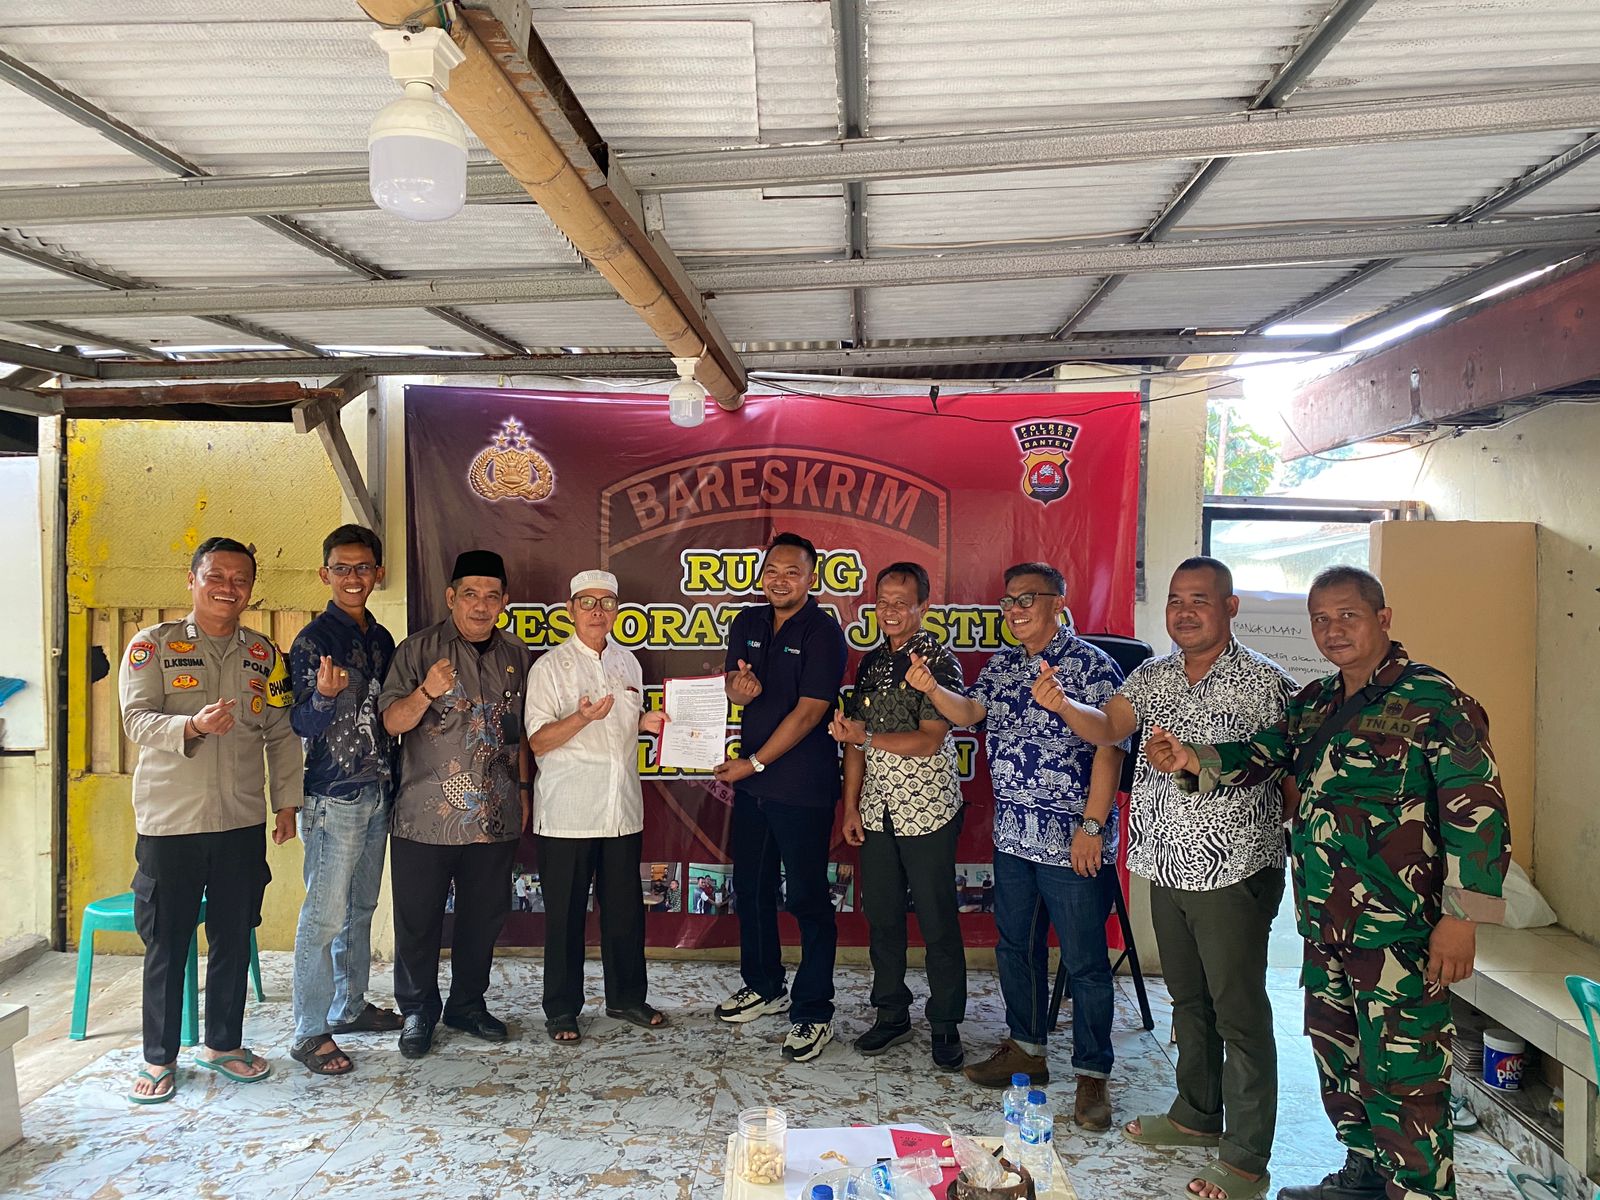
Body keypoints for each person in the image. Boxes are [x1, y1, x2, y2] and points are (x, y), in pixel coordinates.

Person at [1144, 565, 1512, 1200]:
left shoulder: (1434, 701)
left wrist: (1462, 919)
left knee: (1405, 1071)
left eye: (1348, 616)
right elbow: (1260, 756)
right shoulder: (1315, 703)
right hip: (1326, 920)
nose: (1333, 630)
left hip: (1401, 930)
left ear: (1382, 619)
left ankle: (1418, 1189)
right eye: (1320, 619)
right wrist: (1193, 759)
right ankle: (1365, 1173)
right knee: (1340, 1056)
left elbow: (1478, 815)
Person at [1035, 557, 1296, 1199]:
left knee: (1239, 1012)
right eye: (1176, 599)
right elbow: (1109, 727)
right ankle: (1197, 1115)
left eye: (1199, 599)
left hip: (1234, 872)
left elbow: (1290, 779)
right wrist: (1064, 705)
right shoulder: (1153, 674)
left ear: (1230, 607)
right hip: (1164, 862)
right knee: (1188, 1000)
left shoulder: (1268, 684)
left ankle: (1246, 1157)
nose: (1184, 611)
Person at [909, 561, 1126, 1130]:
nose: (1015, 609)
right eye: (1009, 600)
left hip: (1073, 840)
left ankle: (1092, 1074)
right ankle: (1027, 1049)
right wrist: (934, 690)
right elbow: (971, 712)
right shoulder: (1002, 665)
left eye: (1028, 598)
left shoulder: (1092, 665)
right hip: (1014, 836)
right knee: (1015, 949)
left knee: (1084, 962)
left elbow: (1110, 748)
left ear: (1059, 602)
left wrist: (1093, 827)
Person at [118, 536, 302, 1102]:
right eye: (216, 576)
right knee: (167, 941)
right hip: (171, 822)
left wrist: (286, 802)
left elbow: (281, 732)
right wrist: (191, 726)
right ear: (192, 580)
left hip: (240, 820)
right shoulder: (152, 646)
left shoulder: (265, 655)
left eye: (240, 579)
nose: (228, 588)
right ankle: (158, 1057)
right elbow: (135, 719)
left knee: (233, 935)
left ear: (251, 588)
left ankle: (224, 1045)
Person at [379, 549, 531, 1059]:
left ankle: (467, 1004)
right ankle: (418, 1010)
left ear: (504, 602)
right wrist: (426, 691)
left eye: (492, 596)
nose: (481, 605)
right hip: (426, 816)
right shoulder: (418, 650)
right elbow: (392, 722)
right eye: (470, 594)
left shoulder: (517, 655)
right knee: (418, 920)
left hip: (496, 814)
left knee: (482, 918)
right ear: (451, 597)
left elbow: (521, 735)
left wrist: (523, 791)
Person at [711, 532, 848, 1062]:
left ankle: (814, 1010)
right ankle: (765, 985)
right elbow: (733, 686)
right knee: (751, 888)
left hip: (802, 787)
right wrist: (736, 692)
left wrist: (755, 762)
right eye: (772, 570)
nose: (780, 580)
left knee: (807, 898)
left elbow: (811, 712)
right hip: (755, 788)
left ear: (811, 578)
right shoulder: (747, 623)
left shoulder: (824, 632)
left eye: (792, 571)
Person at [831, 561, 968, 1071]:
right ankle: (891, 1013)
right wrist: (851, 805)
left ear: (923, 607)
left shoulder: (939, 663)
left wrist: (863, 737)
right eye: (882, 602)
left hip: (927, 809)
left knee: (937, 921)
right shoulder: (869, 663)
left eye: (901, 603)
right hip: (877, 809)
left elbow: (929, 740)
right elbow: (854, 742)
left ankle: (946, 1022)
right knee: (883, 917)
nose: (889, 611)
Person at [525, 569, 670, 1043]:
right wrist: (581, 718)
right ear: (570, 610)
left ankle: (626, 997)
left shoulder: (629, 664)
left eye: (606, 603)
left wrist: (645, 722)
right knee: (565, 918)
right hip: (567, 813)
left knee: (626, 912)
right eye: (586, 602)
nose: (597, 611)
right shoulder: (549, 668)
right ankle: (561, 1009)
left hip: (621, 809)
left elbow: (625, 726)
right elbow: (538, 741)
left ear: (616, 610)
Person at [287, 524, 401, 1077]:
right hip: (333, 796)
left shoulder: (382, 639)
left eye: (362, 568)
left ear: (378, 573)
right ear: (324, 574)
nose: (353, 578)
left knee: (361, 908)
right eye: (341, 568)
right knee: (323, 916)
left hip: (377, 791)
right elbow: (298, 723)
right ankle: (309, 1031)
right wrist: (324, 696)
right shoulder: (312, 641)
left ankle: (349, 1006)